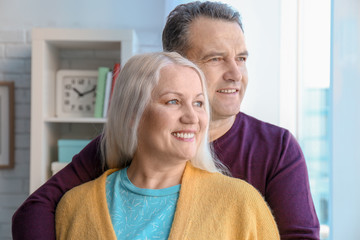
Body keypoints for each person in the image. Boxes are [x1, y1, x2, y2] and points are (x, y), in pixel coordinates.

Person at [13, 1, 319, 239]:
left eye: (241, 58)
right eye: (216, 58)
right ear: (174, 61)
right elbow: (37, 210)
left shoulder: (276, 149)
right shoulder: (123, 144)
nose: (236, 74)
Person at [55, 51, 280, 239]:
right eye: (173, 101)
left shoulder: (242, 204)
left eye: (199, 103)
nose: (192, 117)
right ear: (133, 113)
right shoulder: (74, 207)